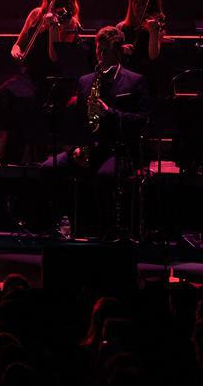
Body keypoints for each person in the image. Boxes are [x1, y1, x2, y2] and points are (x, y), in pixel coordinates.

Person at [40, 26, 148, 237]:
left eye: (106, 51)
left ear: (118, 52)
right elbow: (77, 121)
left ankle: (105, 230)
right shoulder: (86, 80)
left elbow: (142, 121)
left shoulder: (135, 81)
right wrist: (75, 149)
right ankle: (63, 221)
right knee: (48, 168)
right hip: (89, 147)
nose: (100, 56)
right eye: (99, 50)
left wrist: (111, 112)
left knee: (104, 177)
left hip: (119, 149)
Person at [0, 0, 81, 164]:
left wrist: (53, 29)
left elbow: (54, 58)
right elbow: (19, 43)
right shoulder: (36, 14)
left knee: (28, 100)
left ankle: (27, 154)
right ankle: (2, 148)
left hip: (51, 79)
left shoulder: (69, 22)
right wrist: (16, 50)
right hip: (30, 74)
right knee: (5, 92)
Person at [117, 0, 165, 76]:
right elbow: (114, 56)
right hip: (126, 76)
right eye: (135, 1)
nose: (137, 6)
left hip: (147, 75)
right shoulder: (121, 27)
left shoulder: (155, 27)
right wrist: (121, 49)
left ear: (151, 5)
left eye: (143, 3)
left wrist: (153, 31)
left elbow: (153, 55)